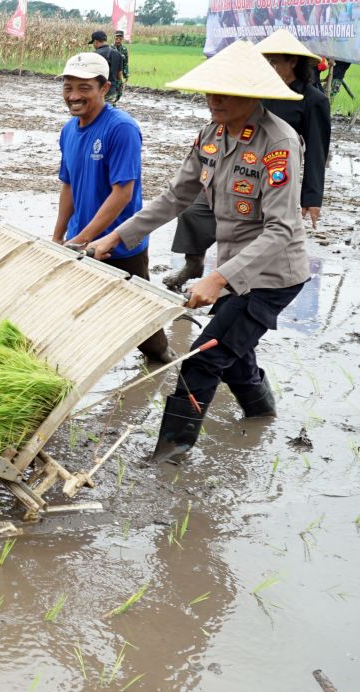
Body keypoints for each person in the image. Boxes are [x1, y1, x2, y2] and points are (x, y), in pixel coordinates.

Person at [88, 40, 309, 462]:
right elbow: (175, 196)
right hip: (229, 268)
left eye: (225, 93)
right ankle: (261, 415)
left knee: (204, 357)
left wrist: (217, 278)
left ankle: (170, 455)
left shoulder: (278, 144)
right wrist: (116, 237)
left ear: (253, 93)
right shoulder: (210, 135)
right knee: (234, 351)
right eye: (210, 92)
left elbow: (282, 227)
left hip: (272, 275)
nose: (214, 101)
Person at [164, 29, 330, 291]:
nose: (268, 67)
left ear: (293, 62)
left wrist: (312, 198)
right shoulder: (253, 93)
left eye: (274, 62)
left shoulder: (313, 100)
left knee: (259, 230)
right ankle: (193, 263)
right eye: (265, 62)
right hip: (232, 167)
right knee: (193, 212)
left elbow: (318, 149)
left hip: (271, 176)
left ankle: (242, 282)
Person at [52, 52, 174, 363]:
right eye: (68, 88)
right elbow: (68, 185)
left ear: (105, 88)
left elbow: (123, 192)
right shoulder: (69, 130)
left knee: (143, 326)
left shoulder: (121, 128)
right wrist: (59, 237)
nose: (74, 96)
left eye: (84, 88)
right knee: (76, 315)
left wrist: (87, 238)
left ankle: (165, 362)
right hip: (81, 242)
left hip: (120, 244)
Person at [89, 31, 124, 106]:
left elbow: (90, 75)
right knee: (109, 112)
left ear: (96, 41)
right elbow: (119, 75)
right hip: (112, 89)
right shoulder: (118, 54)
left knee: (96, 113)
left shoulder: (95, 55)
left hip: (98, 89)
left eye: (93, 43)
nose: (93, 45)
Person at [113, 29, 130, 96]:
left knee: (119, 93)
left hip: (119, 75)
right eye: (117, 38)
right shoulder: (110, 48)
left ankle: (114, 103)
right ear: (114, 38)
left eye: (120, 38)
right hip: (111, 75)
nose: (118, 40)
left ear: (122, 38)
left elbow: (125, 63)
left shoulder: (124, 49)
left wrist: (126, 74)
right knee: (111, 92)